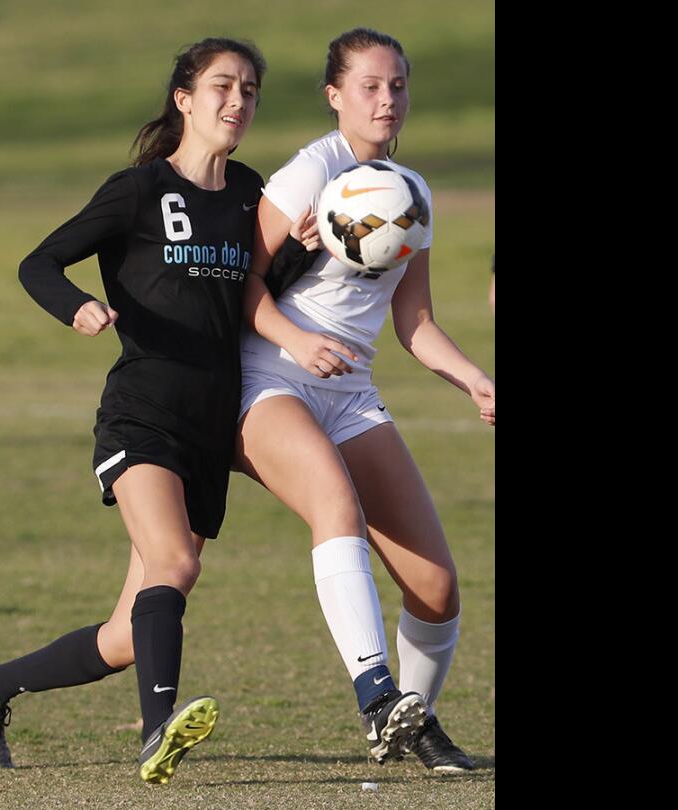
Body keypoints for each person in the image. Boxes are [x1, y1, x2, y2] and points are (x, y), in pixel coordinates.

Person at [0, 38, 267, 785]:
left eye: (250, 90)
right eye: (222, 85)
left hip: (209, 425)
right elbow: (39, 262)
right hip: (142, 414)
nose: (238, 101)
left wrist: (314, 247)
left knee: (129, 631)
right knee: (174, 561)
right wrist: (79, 307)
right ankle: (157, 732)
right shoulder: (137, 191)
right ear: (183, 100)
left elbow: (262, 291)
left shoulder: (254, 192)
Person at [236, 28, 494, 774]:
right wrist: (295, 338)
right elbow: (239, 284)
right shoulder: (307, 174)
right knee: (334, 506)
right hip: (271, 379)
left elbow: (412, 320)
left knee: (437, 589)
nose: (388, 100)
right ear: (335, 96)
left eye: (399, 86)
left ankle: (413, 725)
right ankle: (377, 695)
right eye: (371, 86)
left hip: (350, 395)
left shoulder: (413, 190)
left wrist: (473, 377)